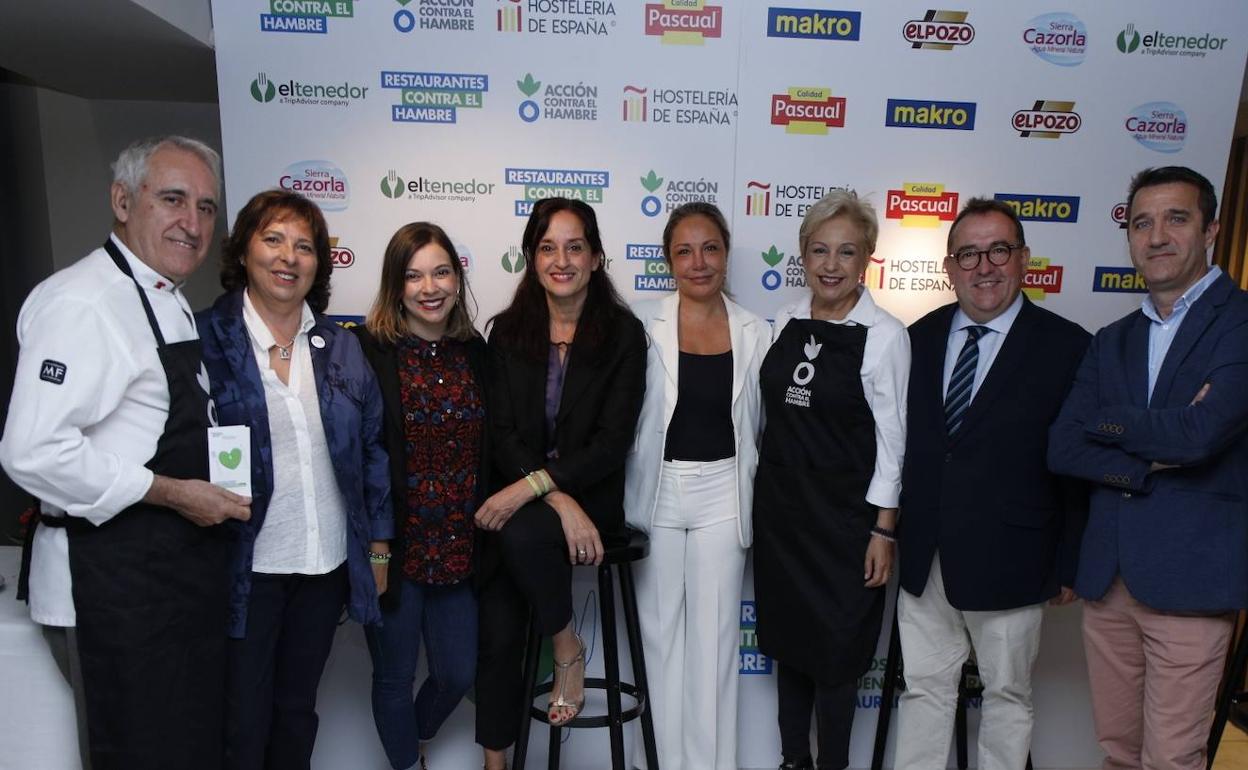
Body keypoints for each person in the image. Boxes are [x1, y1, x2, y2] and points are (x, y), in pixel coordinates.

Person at [0, 135, 246, 770]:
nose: (191, 223)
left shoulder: (169, 300)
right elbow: (32, 451)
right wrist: (169, 491)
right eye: (172, 199)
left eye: (206, 207)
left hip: (172, 585)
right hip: (112, 590)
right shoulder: (83, 302)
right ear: (121, 200)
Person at [1048, 166, 1248, 770]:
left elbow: (1200, 434)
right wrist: (1141, 464)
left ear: (1210, 228)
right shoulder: (1112, 339)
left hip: (1189, 580)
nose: (1157, 236)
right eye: (1142, 223)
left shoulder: (1239, 321)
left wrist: (1110, 420)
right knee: (1118, 751)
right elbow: (1064, 446)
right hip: (1109, 580)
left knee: (1172, 758)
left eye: (1175, 218)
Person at [197, 189, 392, 770]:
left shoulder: (340, 347)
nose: (289, 257)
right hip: (245, 566)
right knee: (242, 717)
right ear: (245, 251)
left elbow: (373, 448)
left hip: (322, 565)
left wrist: (378, 550)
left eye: (305, 246)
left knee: (296, 712)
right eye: (274, 239)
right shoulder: (207, 340)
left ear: (319, 264)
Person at [893, 198, 1089, 770]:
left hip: (1016, 559)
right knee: (924, 690)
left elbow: (1078, 463)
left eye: (998, 250)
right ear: (949, 267)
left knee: (1007, 697)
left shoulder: (1067, 346)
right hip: (925, 555)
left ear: (1024, 259)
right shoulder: (917, 338)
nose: (985, 266)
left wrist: (1069, 562)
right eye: (969, 254)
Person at [473, 197, 646, 770]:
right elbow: (502, 435)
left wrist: (546, 492)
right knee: (498, 631)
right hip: (530, 494)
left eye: (575, 247)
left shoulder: (623, 335)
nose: (561, 260)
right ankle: (496, 762)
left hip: (588, 498)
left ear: (596, 258)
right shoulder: (507, 333)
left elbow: (610, 442)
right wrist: (554, 494)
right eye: (548, 248)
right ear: (531, 257)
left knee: (519, 533)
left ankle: (565, 645)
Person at [752, 191, 909, 770]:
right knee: (791, 650)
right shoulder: (786, 319)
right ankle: (793, 761)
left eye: (846, 252)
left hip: (846, 528)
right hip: (782, 520)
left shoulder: (886, 334)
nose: (831, 265)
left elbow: (895, 442)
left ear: (867, 256)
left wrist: (883, 530)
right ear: (802, 254)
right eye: (819, 250)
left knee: (838, 658)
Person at [625, 202, 770, 770]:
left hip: (723, 494)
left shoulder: (755, 331)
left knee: (714, 647)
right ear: (669, 260)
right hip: (656, 493)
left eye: (709, 248)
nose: (698, 262)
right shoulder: (640, 325)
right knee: (659, 641)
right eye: (684, 251)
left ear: (726, 254)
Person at [353, 222, 486, 770]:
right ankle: (409, 764)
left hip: (459, 549)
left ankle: (414, 738)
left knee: (459, 672)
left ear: (457, 279)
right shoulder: (367, 350)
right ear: (395, 285)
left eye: (440, 272)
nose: (429, 287)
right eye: (413, 275)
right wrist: (377, 549)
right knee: (393, 677)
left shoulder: (474, 352)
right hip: (395, 553)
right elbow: (360, 454)